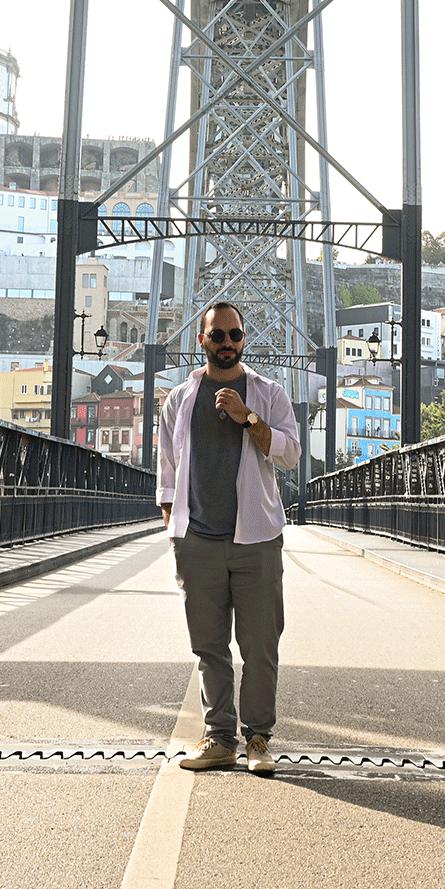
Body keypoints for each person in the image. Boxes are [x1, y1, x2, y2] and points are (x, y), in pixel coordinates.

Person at [158, 301, 301, 776]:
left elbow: (290, 456)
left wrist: (249, 419)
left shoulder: (270, 394)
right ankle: (219, 739)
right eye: (217, 335)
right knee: (209, 646)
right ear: (201, 341)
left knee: (260, 646)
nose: (226, 343)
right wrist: (172, 526)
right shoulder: (178, 398)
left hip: (256, 538)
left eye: (234, 335)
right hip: (197, 539)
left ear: (244, 339)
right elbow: (168, 468)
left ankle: (258, 739)